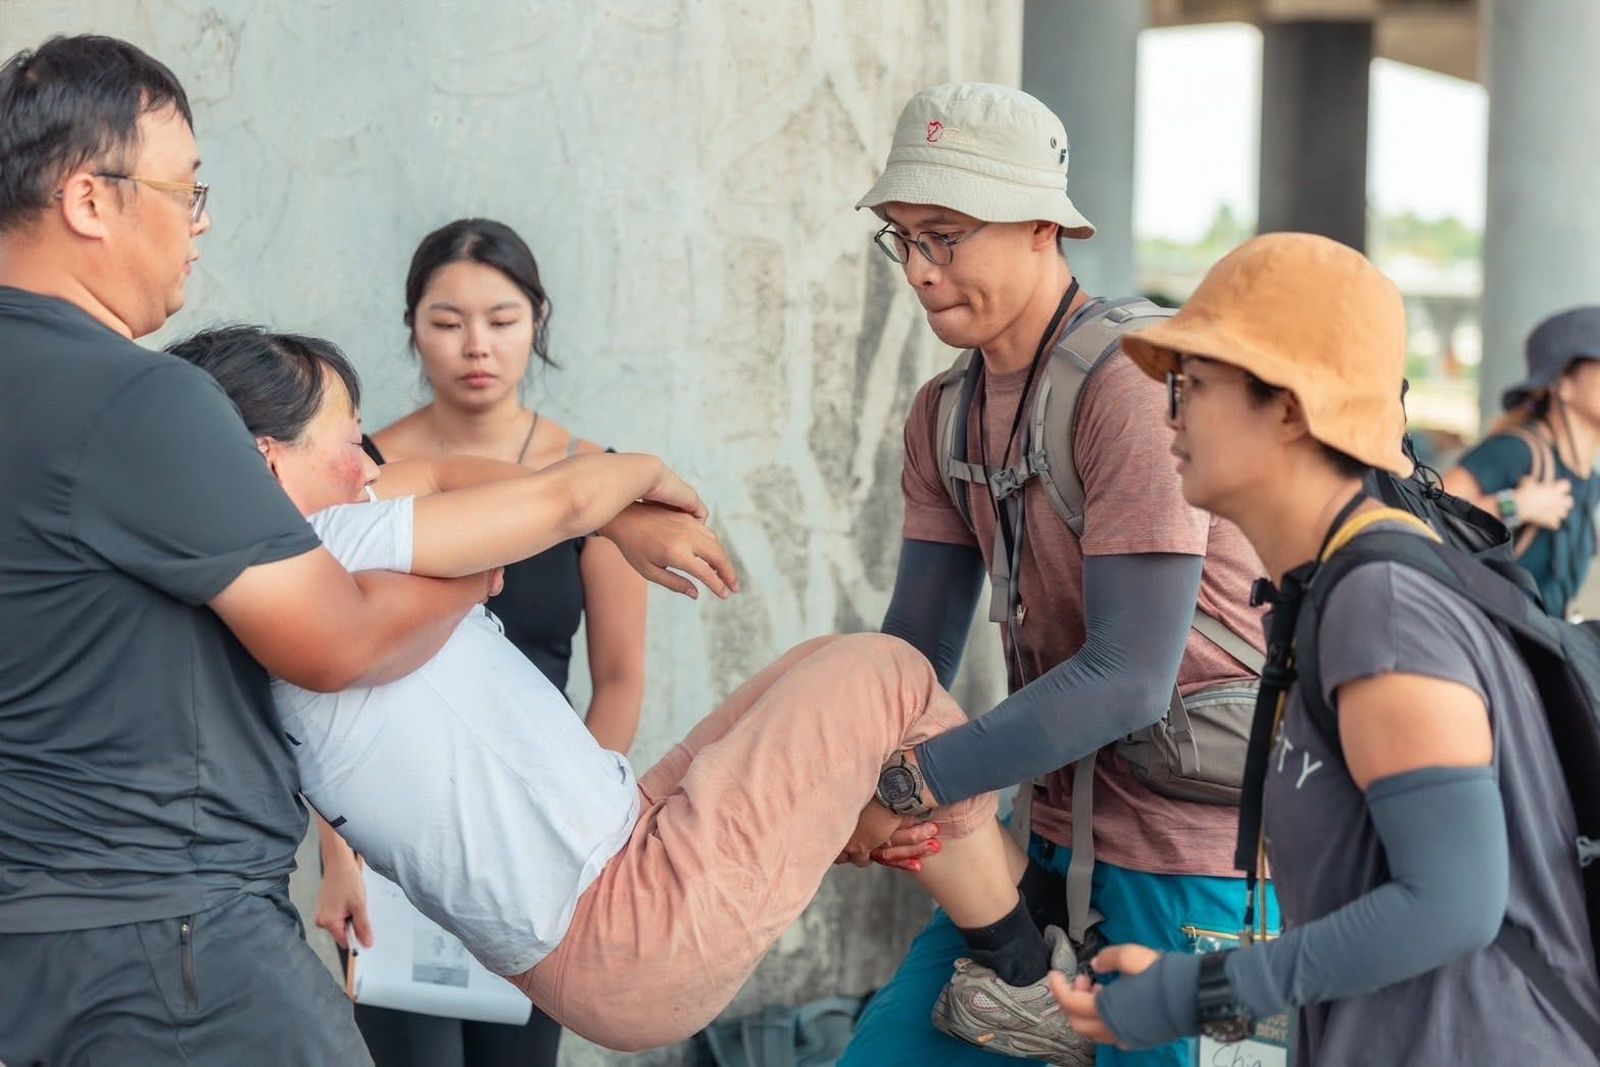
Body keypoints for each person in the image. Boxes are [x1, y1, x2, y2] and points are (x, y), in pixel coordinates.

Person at [170, 324, 1081, 1056]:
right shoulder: (329, 546)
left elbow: (439, 474)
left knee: (825, 665)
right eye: (347, 442)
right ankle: (1022, 971)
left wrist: (602, 524)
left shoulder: (285, 582)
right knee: (882, 674)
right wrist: (636, 481)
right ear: (267, 463)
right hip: (620, 918)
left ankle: (892, 846)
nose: (370, 465)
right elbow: (557, 502)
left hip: (623, 845)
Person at [0, 36, 491, 1066]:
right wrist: (474, 576)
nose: (202, 221)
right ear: (89, 199)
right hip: (172, 953)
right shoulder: (138, 397)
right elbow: (336, 640)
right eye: (186, 189)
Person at [1052, 232, 1600, 1064]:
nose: (1171, 415)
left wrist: (1196, 991)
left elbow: (1452, 902)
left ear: (1290, 407)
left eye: (1193, 385)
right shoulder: (1336, 585)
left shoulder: (1382, 607)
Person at [839, 82, 1270, 1067]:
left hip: (1192, 864)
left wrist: (906, 784)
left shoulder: (1136, 384)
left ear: (1043, 226)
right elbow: (914, 652)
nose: (920, 269)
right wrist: (850, 771)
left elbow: (1130, 674)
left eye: (946, 236)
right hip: (1042, 845)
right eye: (903, 237)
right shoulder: (944, 414)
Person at [316, 217, 647, 1065]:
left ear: (538, 320)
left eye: (502, 320)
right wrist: (339, 856)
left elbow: (618, 676)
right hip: (393, 834)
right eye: (446, 321)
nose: (476, 345)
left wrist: (574, 830)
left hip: (534, 849)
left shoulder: (589, 479)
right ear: (411, 326)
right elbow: (323, 664)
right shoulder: (361, 472)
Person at [1442, 306, 1600, 618]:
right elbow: (1422, 520)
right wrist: (1513, 506)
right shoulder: (1515, 452)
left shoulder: (1589, 479)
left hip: (1536, 643)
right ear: (1562, 383)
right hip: (1487, 641)